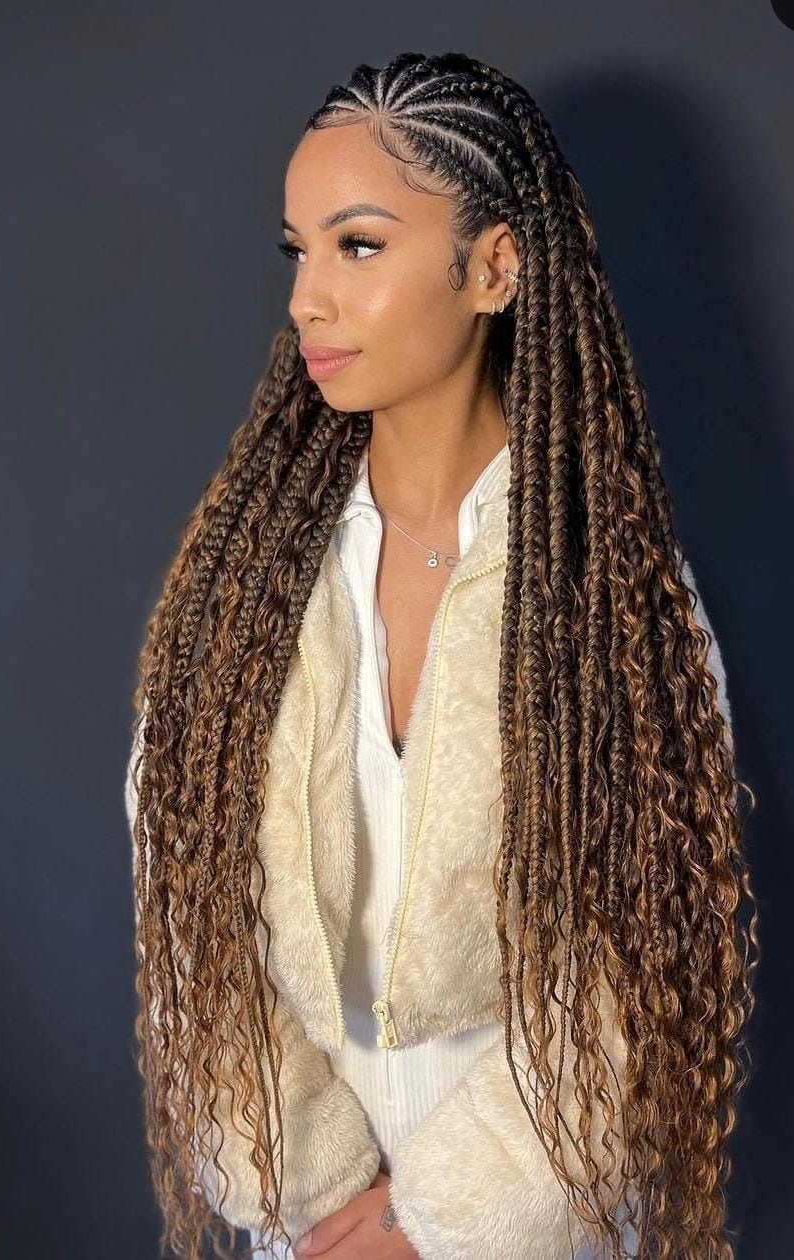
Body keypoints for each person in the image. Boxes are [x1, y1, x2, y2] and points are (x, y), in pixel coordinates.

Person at [124, 51, 757, 1260]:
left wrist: (441, 1226)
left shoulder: (609, 600)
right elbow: (188, 917)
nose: (309, 297)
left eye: (357, 246)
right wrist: (315, 1196)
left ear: (495, 267)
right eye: (296, 250)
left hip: (537, 1223)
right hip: (309, 1228)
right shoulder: (241, 588)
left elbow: (633, 983)